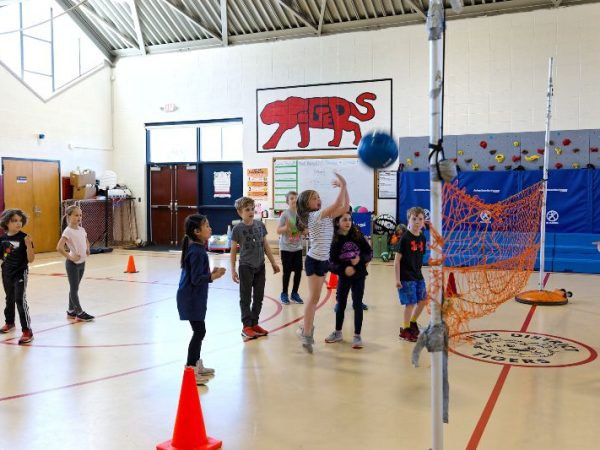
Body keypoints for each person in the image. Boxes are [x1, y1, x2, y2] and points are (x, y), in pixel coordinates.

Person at [296, 173, 349, 353]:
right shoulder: (315, 216)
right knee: (312, 299)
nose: (318, 199)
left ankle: (305, 330)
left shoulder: (325, 215)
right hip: (313, 261)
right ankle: (307, 334)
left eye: (318, 197)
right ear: (306, 204)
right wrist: (342, 186)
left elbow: (345, 206)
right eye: (314, 198)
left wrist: (345, 188)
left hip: (323, 261)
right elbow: (336, 205)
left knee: (316, 298)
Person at [176, 214, 226, 385]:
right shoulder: (197, 251)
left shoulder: (197, 248)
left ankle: (196, 364)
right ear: (197, 232)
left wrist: (211, 273)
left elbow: (197, 274)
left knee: (200, 331)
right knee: (199, 331)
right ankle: (190, 369)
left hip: (193, 297)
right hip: (190, 298)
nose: (210, 228)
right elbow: (197, 279)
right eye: (207, 226)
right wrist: (214, 276)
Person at [230, 197, 280, 341]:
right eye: (247, 210)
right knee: (245, 297)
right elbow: (233, 250)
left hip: (260, 266)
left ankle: (254, 323)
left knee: (258, 297)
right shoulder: (237, 229)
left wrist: (273, 262)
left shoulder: (260, 225)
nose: (251, 212)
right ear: (240, 212)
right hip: (246, 267)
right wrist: (233, 270)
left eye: (252, 209)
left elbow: (265, 245)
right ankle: (246, 326)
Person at [326, 208, 372, 349]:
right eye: (344, 219)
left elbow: (369, 252)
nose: (348, 222)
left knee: (357, 304)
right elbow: (330, 263)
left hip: (359, 277)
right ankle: (338, 332)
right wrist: (343, 269)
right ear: (338, 222)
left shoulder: (357, 234)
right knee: (341, 304)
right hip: (344, 278)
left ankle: (357, 336)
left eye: (349, 219)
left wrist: (360, 260)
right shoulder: (335, 240)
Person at [0, 209, 35, 344]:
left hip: (20, 272)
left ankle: (27, 331)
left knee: (20, 299)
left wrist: (28, 245)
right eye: (14, 221)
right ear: (6, 222)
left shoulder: (24, 237)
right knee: (9, 298)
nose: (18, 223)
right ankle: (9, 322)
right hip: (6, 272)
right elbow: (2, 256)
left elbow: (31, 259)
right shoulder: (2, 239)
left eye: (20, 220)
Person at [56, 205, 95, 322]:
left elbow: (86, 241)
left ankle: (71, 310)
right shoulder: (68, 231)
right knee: (74, 289)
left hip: (82, 263)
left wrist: (88, 249)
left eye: (80, 215)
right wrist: (70, 257)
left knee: (75, 288)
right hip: (72, 264)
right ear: (69, 216)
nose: (79, 217)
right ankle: (79, 312)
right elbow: (59, 247)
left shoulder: (82, 229)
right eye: (76, 215)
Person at [395, 207, 427, 342]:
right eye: (414, 219)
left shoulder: (422, 237)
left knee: (423, 300)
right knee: (410, 303)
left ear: (424, 221)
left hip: (418, 275)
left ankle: (413, 322)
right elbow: (397, 261)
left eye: (420, 219)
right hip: (406, 276)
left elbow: (419, 258)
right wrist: (397, 279)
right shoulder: (405, 238)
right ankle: (405, 329)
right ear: (409, 220)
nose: (417, 222)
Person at [277, 191, 304, 305]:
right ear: (287, 201)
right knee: (287, 272)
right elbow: (278, 230)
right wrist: (286, 227)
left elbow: (303, 230)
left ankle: (294, 293)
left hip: (298, 248)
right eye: (291, 198)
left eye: (296, 198)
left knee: (298, 271)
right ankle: (284, 293)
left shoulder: (301, 215)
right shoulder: (285, 214)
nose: (294, 200)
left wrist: (305, 230)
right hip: (286, 248)